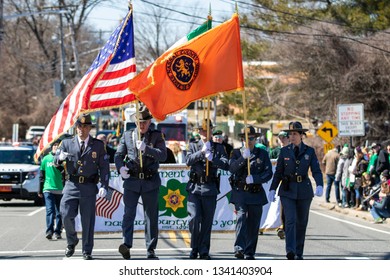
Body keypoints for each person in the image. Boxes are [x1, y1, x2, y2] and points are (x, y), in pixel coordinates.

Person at [114, 105, 167, 260]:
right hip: (132, 180)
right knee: (128, 213)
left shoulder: (157, 136)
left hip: (150, 181)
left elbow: (163, 155)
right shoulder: (127, 135)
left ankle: (151, 249)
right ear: (135, 122)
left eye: (144, 122)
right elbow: (118, 155)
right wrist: (120, 168)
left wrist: (147, 149)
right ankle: (126, 244)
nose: (142, 125)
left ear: (150, 122)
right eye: (139, 122)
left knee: (150, 216)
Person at [55, 113, 110, 260]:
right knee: (65, 214)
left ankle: (87, 250)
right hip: (71, 184)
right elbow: (56, 160)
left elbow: (104, 167)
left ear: (90, 128)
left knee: (88, 220)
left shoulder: (97, 145)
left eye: (85, 126)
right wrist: (59, 159)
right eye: (79, 126)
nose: (82, 129)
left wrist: (104, 185)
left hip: (88, 186)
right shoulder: (67, 143)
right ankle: (72, 241)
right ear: (76, 127)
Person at [268, 121, 323, 260]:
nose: (291, 136)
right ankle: (290, 250)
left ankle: (299, 251)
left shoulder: (309, 151)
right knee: (290, 220)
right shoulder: (284, 151)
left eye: (294, 134)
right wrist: (272, 189)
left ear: (301, 135)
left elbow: (316, 170)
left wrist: (320, 184)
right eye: (290, 134)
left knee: (301, 222)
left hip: (304, 190)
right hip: (288, 189)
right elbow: (279, 172)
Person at [185, 119, 229, 260]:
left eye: (208, 129)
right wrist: (201, 153)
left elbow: (226, 164)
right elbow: (188, 161)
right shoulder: (193, 145)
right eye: (202, 130)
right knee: (194, 218)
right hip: (195, 187)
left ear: (211, 131)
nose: (205, 132)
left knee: (207, 222)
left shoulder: (219, 147)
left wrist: (212, 159)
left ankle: (204, 250)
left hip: (210, 187)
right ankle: (194, 248)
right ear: (199, 131)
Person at [229, 126, 273, 260]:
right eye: (246, 138)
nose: (249, 141)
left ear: (256, 139)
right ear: (242, 139)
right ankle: (239, 249)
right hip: (241, 192)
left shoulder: (262, 153)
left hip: (255, 192)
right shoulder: (236, 153)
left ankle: (250, 251)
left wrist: (255, 178)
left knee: (254, 224)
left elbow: (268, 173)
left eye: (252, 138)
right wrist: (243, 158)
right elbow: (232, 168)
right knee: (241, 219)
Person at [39, 140, 64, 240]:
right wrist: (40, 190)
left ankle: (58, 231)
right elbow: (42, 176)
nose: (56, 147)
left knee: (60, 212)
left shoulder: (63, 159)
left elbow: (65, 173)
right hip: (48, 188)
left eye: (58, 146)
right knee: (50, 211)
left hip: (60, 189)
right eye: (54, 145)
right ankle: (49, 231)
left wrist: (59, 165)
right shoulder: (46, 159)